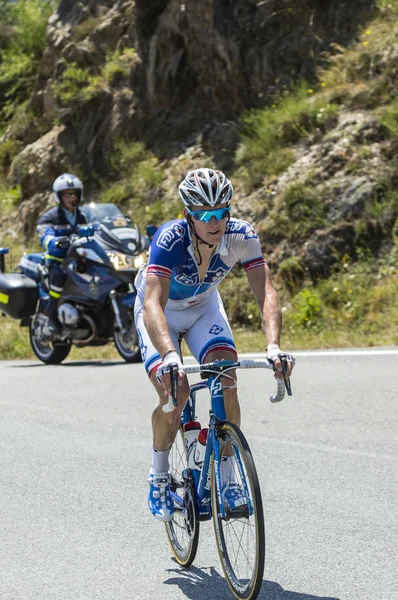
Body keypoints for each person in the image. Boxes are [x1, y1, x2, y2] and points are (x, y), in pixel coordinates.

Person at [134, 167, 295, 522]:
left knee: (227, 376)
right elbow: (152, 304)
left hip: (204, 306)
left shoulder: (241, 235)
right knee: (174, 392)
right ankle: (158, 475)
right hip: (160, 312)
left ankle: (228, 478)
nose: (216, 221)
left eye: (223, 212)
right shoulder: (170, 239)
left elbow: (265, 291)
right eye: (206, 215)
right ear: (189, 215)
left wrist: (273, 346)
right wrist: (170, 354)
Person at [37, 173, 88, 333]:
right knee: (59, 275)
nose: (70, 198)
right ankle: (51, 316)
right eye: (67, 194)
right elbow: (43, 234)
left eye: (73, 194)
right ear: (59, 196)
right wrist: (54, 242)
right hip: (58, 260)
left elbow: (99, 228)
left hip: (80, 258)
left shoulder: (84, 215)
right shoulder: (51, 216)